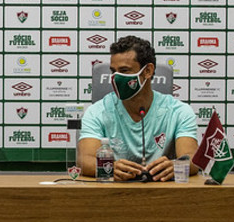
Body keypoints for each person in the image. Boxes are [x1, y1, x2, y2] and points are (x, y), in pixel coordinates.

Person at [78, 35, 198, 181]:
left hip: (162, 189)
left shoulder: (179, 111)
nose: (116, 78)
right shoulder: (97, 112)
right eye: (113, 71)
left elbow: (192, 158)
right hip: (115, 190)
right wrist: (109, 168)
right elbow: (84, 160)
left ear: (148, 71)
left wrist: (176, 166)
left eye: (124, 70)